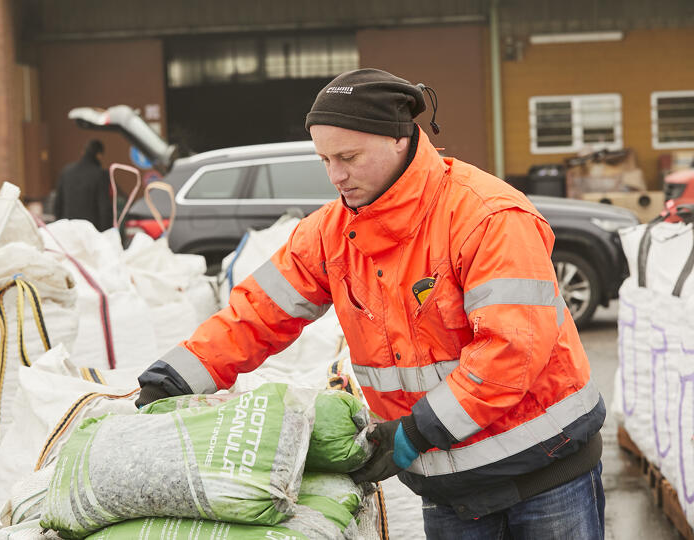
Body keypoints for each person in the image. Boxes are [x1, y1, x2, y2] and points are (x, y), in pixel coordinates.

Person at [135, 69, 606, 539]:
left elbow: (512, 351)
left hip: (544, 476)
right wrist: (175, 376)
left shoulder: (486, 218)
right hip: (449, 490)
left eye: (349, 156)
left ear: (399, 140)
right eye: (324, 159)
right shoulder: (329, 234)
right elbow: (256, 314)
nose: (336, 174)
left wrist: (417, 431)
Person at [54, 139, 112, 231]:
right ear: (99, 155)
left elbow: (58, 204)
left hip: (68, 229)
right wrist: (105, 233)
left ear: (83, 152)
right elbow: (104, 208)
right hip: (90, 231)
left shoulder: (66, 171)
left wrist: (60, 225)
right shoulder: (100, 175)